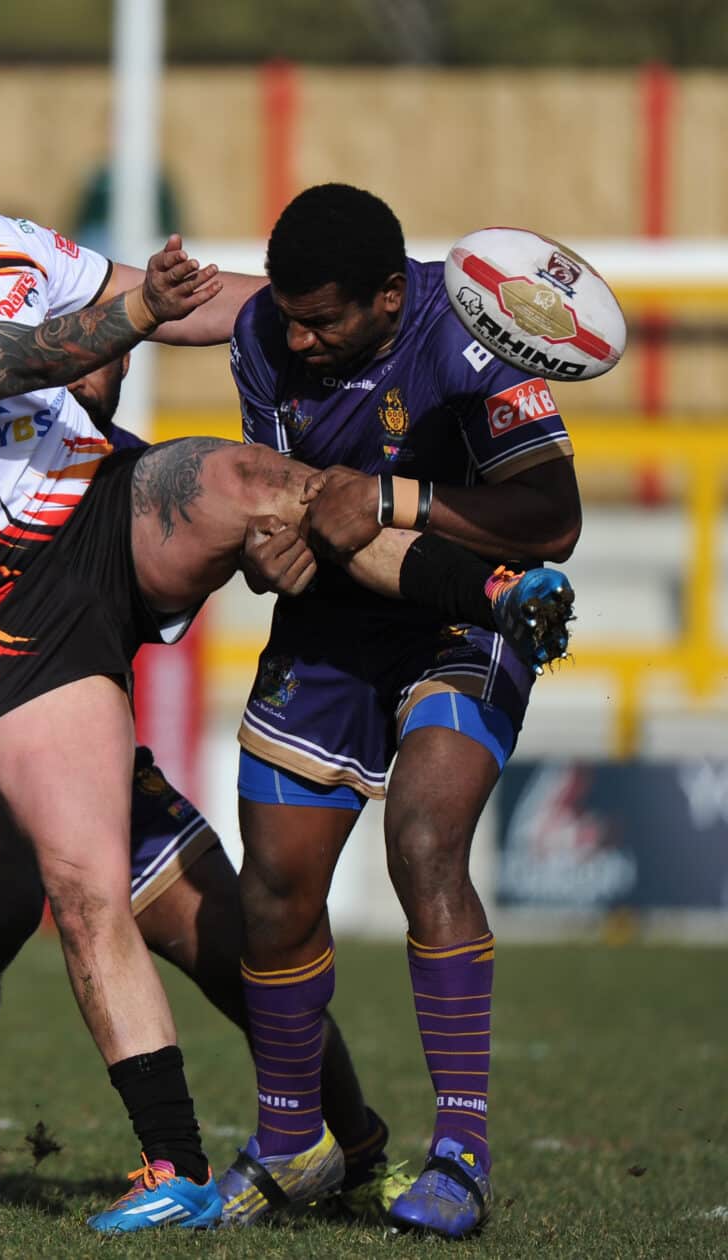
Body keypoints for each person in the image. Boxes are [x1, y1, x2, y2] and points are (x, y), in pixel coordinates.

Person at [0, 119, 573, 1234]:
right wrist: (129, 317)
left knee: (260, 485)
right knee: (25, 898)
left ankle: (346, 1143)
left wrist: (271, 312)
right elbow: (18, 360)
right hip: (17, 635)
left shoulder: (12, 256)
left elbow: (199, 303)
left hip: (108, 522)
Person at [0, 355, 413, 1222]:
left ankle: (359, 1154)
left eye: (110, 352)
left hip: (96, 770)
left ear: (129, 363)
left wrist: (275, 560)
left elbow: (243, 545)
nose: (93, 369)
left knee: (251, 954)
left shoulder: (139, 483)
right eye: (77, 346)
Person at [216, 183, 583, 1239]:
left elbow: (551, 516)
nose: (300, 336)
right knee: (275, 887)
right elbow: (288, 494)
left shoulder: (473, 334)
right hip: (332, 628)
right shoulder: (261, 336)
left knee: (423, 840)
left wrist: (391, 498)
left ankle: (459, 1155)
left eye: (323, 318)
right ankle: (291, 1145)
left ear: (388, 296)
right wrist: (271, 541)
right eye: (289, 313)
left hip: (467, 619)